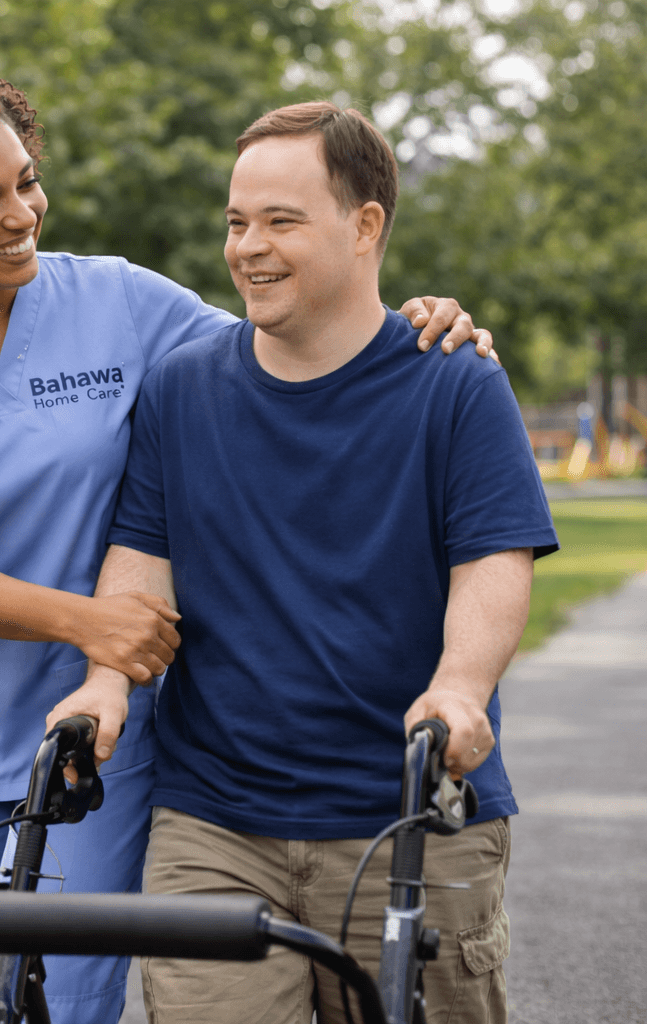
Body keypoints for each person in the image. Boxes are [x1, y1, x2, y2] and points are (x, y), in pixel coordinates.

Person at [0, 59, 495, 1024]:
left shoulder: (118, 302)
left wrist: (422, 322)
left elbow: (290, 342)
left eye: (29, 182)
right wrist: (96, 624)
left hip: (103, 733)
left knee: (71, 994)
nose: (23, 214)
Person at [49, 101, 558, 1024]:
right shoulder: (182, 388)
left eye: (282, 220)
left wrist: (460, 687)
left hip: (411, 813)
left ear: (365, 227)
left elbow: (495, 558)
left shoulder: (455, 382)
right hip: (215, 822)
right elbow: (142, 560)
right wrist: (105, 686)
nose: (250, 247)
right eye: (238, 222)